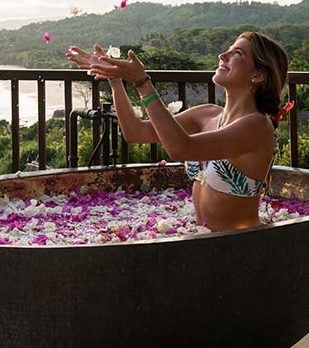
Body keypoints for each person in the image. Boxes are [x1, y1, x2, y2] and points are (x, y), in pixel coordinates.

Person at [66, 32, 289, 232]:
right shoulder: (206, 115)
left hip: (238, 247)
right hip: (203, 241)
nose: (222, 55)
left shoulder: (257, 126)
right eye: (227, 50)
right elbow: (136, 132)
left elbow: (180, 148)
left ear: (258, 75)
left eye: (237, 53)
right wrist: (116, 81)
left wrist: (143, 83)